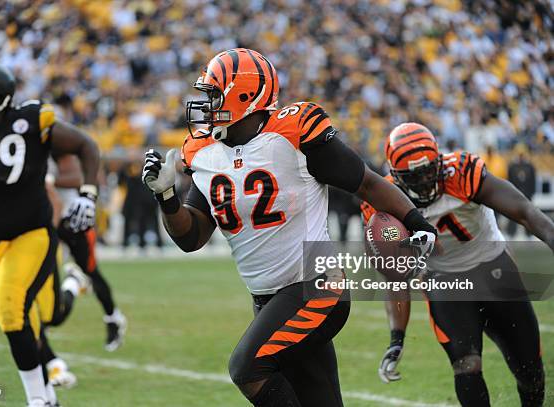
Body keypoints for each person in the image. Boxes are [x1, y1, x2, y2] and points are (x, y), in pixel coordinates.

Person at [142, 48, 437, 407]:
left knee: (247, 368)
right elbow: (191, 236)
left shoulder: (294, 133)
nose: (206, 105)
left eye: (214, 94)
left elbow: (367, 184)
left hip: (317, 287)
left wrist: (417, 223)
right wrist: (167, 196)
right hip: (268, 299)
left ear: (244, 95)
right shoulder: (204, 151)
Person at [0, 61, 100, 407]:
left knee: (16, 312)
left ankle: (38, 401)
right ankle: (49, 397)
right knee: (15, 322)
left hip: (30, 235)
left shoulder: (30, 121)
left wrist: (89, 194)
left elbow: (86, 144)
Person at [361, 122, 554, 407]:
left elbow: (525, 211)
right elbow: (395, 274)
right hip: (444, 282)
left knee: (529, 370)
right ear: (396, 176)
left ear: (439, 161)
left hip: (494, 269)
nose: (426, 182)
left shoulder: (461, 172)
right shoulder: (383, 204)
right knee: (467, 365)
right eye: (415, 176)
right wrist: (396, 338)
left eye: (428, 171)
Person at [48, 154, 127, 352]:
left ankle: (113, 318)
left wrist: (47, 179)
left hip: (73, 220)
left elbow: (78, 178)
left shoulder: (56, 143)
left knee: (91, 272)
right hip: (46, 220)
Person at [506, 144, 536, 238]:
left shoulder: (530, 166)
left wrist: (531, 193)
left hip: (527, 194)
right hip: (515, 194)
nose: (521, 156)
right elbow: (509, 180)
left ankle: (529, 234)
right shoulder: (512, 166)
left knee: (529, 214)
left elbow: (533, 181)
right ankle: (511, 233)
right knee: (513, 214)